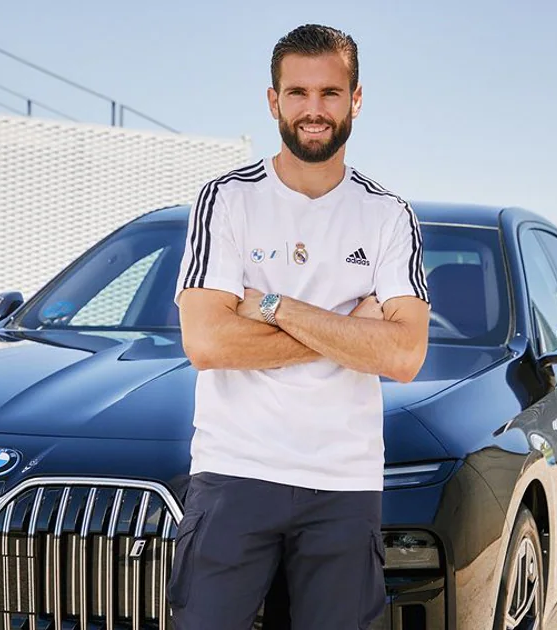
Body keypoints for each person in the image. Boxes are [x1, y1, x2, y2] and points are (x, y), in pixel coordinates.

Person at [169, 23, 430, 630]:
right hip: (236, 472)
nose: (314, 110)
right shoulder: (226, 200)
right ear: (273, 100)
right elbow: (207, 343)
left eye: (331, 93)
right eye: (298, 93)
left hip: (343, 481)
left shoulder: (389, 217)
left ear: (355, 100)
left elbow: (404, 355)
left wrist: (272, 305)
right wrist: (350, 330)